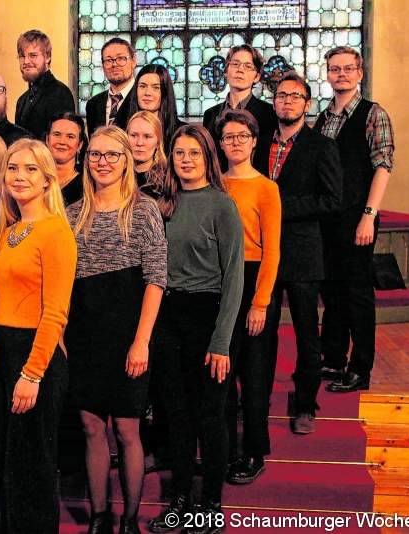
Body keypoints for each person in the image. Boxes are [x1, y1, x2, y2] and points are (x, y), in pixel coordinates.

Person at [65, 126, 166, 534]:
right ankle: (99, 517)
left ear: (126, 161)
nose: (102, 162)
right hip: (85, 335)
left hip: (128, 336)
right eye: (95, 154)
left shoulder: (144, 210)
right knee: (91, 427)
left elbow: (156, 279)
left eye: (112, 155)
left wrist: (141, 342)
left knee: (126, 430)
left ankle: (128, 520)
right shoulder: (72, 214)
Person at [0, 139, 77, 533]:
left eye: (31, 169)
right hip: (2, 352)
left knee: (30, 463)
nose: (19, 176)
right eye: (13, 168)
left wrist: (32, 374)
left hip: (36, 355)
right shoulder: (10, 231)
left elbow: (56, 312)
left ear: (47, 178)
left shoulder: (56, 232)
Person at [148, 125, 244, 534]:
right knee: (177, 415)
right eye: (179, 153)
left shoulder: (222, 205)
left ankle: (210, 505)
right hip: (168, 316)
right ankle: (181, 499)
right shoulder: (161, 204)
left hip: (208, 316)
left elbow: (234, 277)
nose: (186, 160)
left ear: (208, 158)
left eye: (194, 153)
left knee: (210, 416)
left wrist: (221, 342)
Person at [254, 71, 343, 435]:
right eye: (281, 96)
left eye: (295, 96)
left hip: (303, 252)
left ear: (307, 104)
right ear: (274, 102)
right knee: (261, 331)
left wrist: (280, 207)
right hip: (262, 251)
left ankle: (306, 403)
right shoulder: (259, 144)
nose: (287, 101)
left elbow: (332, 200)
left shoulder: (322, 146)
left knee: (307, 332)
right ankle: (257, 401)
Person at [316, 47, 395, 394]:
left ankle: (360, 368)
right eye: (335, 69)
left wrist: (369, 215)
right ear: (328, 74)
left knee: (358, 294)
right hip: (328, 219)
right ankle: (334, 358)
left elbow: (383, 167)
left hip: (358, 216)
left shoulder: (373, 114)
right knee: (332, 291)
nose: (342, 74)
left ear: (359, 73)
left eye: (348, 69)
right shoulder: (323, 117)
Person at [215, 110, 281, 485]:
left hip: (254, 280)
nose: (236, 143)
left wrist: (260, 303)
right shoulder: (215, 185)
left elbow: (272, 251)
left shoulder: (266, 188)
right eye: (229, 137)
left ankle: (254, 451)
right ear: (220, 144)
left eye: (243, 136)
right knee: (222, 373)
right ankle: (224, 449)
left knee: (254, 375)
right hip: (220, 280)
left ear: (254, 141)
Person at [202, 45, 277, 170]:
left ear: (257, 77)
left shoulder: (269, 113)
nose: (240, 70)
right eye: (235, 64)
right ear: (226, 71)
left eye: (248, 66)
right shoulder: (210, 114)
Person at [14, 29, 75, 141]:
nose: (26, 61)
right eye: (22, 56)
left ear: (47, 57)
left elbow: (62, 142)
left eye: (33, 55)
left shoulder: (60, 94)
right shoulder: (22, 100)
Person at [85, 38, 137, 134]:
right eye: (108, 60)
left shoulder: (143, 98)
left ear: (133, 61)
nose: (114, 64)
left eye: (121, 58)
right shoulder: (93, 104)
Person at [46, 111, 87, 205]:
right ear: (47, 140)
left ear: (80, 145)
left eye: (70, 136)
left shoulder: (86, 185)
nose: (62, 141)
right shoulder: (35, 179)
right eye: (57, 134)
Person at [126, 111, 167, 194]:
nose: (139, 143)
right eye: (134, 135)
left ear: (158, 143)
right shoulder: (115, 175)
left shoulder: (168, 179)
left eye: (147, 136)